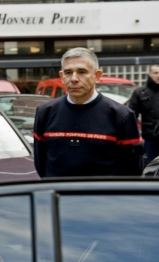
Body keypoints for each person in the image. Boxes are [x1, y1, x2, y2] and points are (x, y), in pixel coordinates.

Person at [33, 47, 143, 177]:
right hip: (58, 195)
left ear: (97, 76)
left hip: (102, 196)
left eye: (81, 72)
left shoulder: (121, 115)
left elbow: (132, 169)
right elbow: (41, 163)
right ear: (62, 76)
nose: (74, 78)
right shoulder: (45, 112)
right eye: (68, 72)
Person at [128, 64, 159, 163]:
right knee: (150, 164)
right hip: (149, 137)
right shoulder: (140, 92)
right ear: (149, 74)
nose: (158, 75)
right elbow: (132, 115)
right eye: (155, 73)